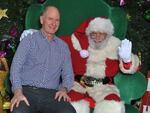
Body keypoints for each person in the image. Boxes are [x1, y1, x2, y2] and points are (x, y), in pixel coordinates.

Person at [21, 17, 140, 113]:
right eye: (94, 33)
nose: (98, 37)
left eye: (102, 34)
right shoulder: (75, 42)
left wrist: (127, 59)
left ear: (107, 34)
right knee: (69, 105)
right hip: (77, 84)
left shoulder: (115, 44)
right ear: (88, 34)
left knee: (113, 106)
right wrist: (35, 35)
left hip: (104, 86)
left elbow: (134, 67)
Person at [9, 6, 76, 113]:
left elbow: (68, 75)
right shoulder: (29, 40)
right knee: (18, 111)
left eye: (57, 20)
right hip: (26, 91)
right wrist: (17, 92)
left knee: (68, 111)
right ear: (41, 20)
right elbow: (15, 69)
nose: (54, 23)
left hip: (52, 94)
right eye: (50, 18)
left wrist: (64, 89)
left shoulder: (63, 47)